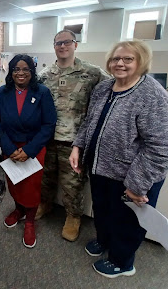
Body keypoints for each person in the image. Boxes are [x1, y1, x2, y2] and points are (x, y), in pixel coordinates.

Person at [70, 40, 168, 278]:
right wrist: (78, 146)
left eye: (128, 59)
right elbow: (89, 123)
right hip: (101, 169)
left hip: (132, 177)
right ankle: (105, 241)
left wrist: (137, 184)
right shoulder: (104, 89)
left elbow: (163, 147)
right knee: (104, 211)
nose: (120, 63)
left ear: (141, 62)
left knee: (127, 221)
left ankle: (122, 262)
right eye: (115, 59)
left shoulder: (152, 96)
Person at [37, 29, 109, 241]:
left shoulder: (92, 72)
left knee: (73, 183)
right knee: (45, 177)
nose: (62, 46)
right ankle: (45, 204)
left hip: (75, 141)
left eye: (67, 42)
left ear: (75, 45)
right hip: (48, 138)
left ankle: (73, 216)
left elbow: (114, 88)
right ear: (54, 47)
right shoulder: (44, 75)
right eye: (58, 43)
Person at [0, 54, 56, 248]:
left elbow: (49, 124)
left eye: (25, 69)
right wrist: (9, 148)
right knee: (14, 184)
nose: (20, 73)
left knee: (31, 187)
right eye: (16, 69)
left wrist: (29, 149)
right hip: (10, 148)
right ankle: (18, 210)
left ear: (32, 71)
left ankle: (29, 220)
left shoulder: (42, 92)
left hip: (34, 149)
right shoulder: (2, 92)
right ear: (11, 72)